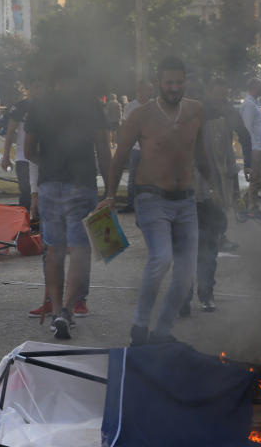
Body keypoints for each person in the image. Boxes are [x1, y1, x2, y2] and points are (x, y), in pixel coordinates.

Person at [102, 56, 203, 346]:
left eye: (179, 82)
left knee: (186, 271)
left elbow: (202, 152)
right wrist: (110, 195)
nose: (174, 88)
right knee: (162, 259)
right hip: (151, 197)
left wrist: (219, 190)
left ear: (185, 82)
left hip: (186, 199)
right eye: (169, 82)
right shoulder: (141, 115)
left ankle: (162, 332)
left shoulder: (196, 111)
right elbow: (119, 156)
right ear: (159, 83)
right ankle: (139, 327)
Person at [23, 62, 112, 339]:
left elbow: (28, 150)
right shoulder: (91, 105)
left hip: (50, 185)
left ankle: (56, 308)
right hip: (81, 183)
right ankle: (68, 312)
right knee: (80, 249)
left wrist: (49, 164)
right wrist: (110, 191)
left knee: (54, 250)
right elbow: (103, 148)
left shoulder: (38, 105)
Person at [186, 77, 252, 314]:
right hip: (189, 194)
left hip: (214, 194)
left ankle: (206, 294)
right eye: (216, 98)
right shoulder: (192, 116)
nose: (220, 104)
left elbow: (241, 141)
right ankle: (184, 297)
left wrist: (245, 171)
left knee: (209, 247)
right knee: (188, 247)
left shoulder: (227, 115)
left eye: (223, 98)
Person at [1, 79, 44, 211]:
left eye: (40, 88)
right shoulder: (20, 107)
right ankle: (24, 223)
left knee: (42, 191)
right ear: (29, 88)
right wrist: (6, 155)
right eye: (35, 87)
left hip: (43, 156)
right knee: (26, 192)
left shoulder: (48, 106)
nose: (38, 91)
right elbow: (10, 132)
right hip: (23, 157)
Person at [119, 79, 154, 213]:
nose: (151, 92)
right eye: (148, 89)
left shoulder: (155, 105)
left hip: (152, 148)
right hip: (135, 148)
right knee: (133, 177)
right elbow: (125, 126)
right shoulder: (131, 106)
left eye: (151, 90)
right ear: (140, 91)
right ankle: (131, 204)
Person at [240, 78, 261, 219]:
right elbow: (246, 129)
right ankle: (253, 208)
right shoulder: (249, 105)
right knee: (257, 179)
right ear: (253, 87)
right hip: (255, 148)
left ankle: (245, 202)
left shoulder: (255, 104)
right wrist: (252, 150)